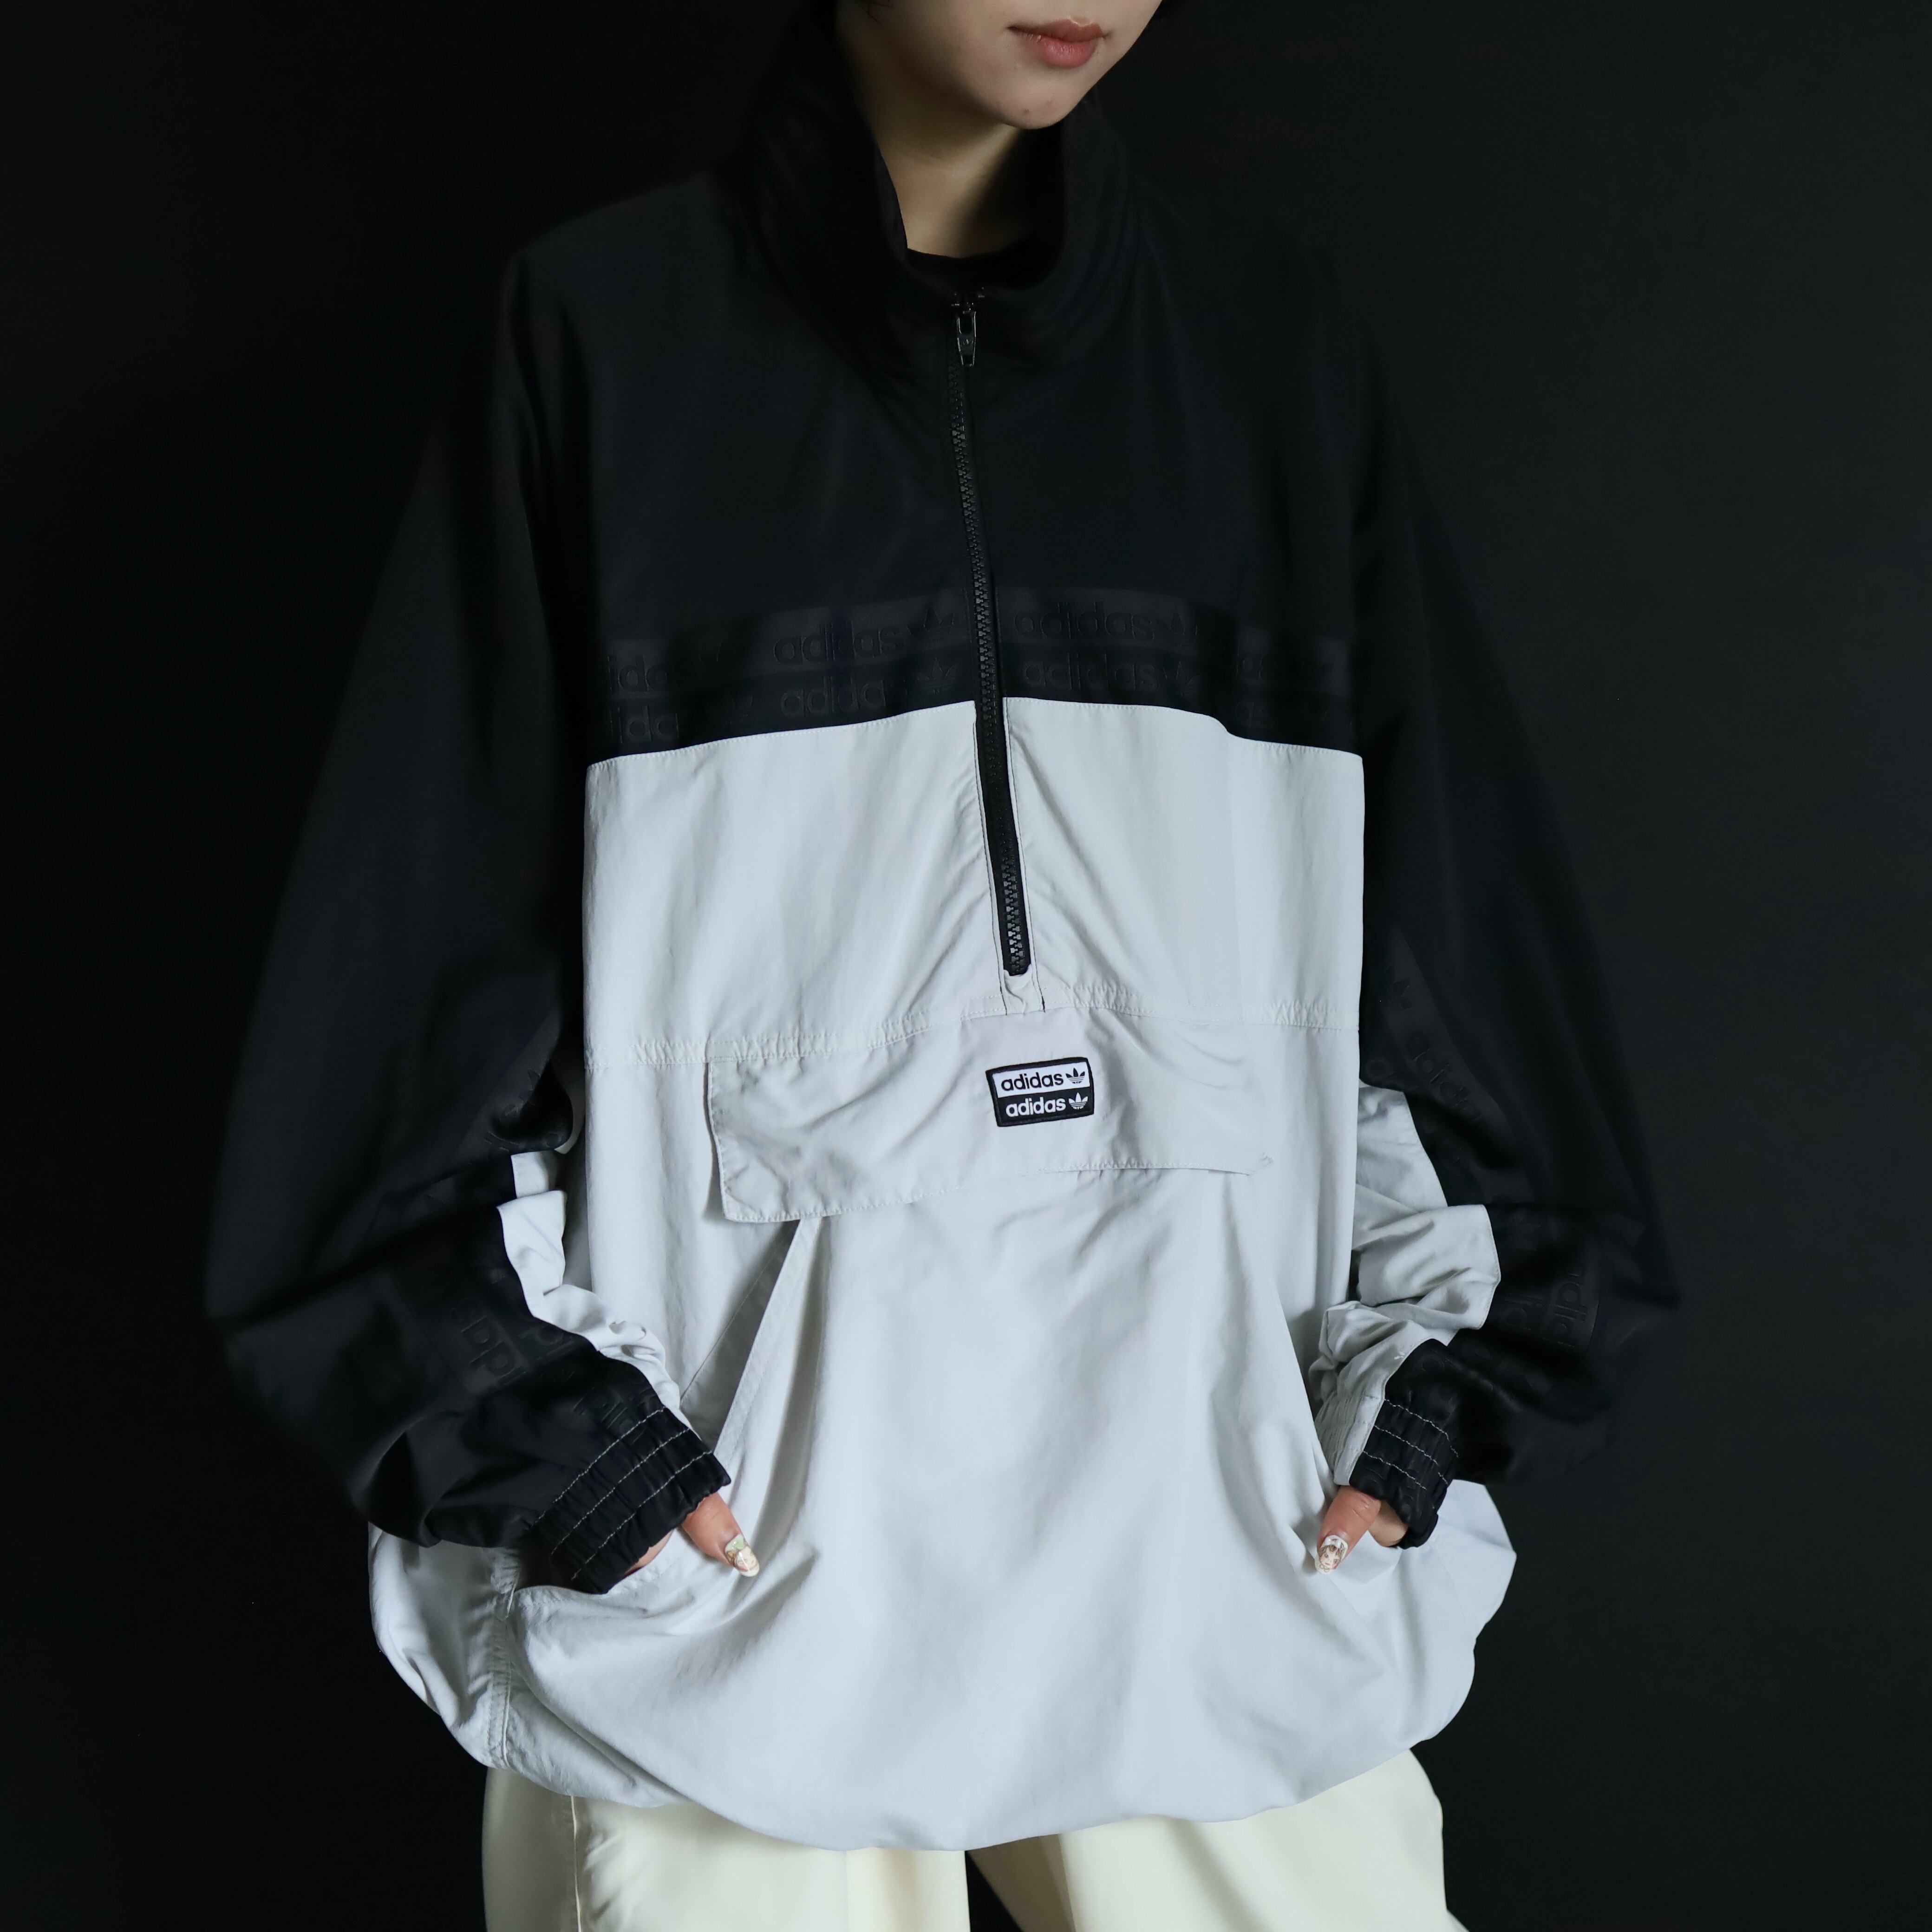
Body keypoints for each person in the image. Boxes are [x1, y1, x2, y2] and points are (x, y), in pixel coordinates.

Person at [206, 2, 1676, 1927]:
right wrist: (563, 1462)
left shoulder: (1266, 346)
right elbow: (410, 990)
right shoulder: (604, 334)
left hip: (1213, 1529)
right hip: (731, 1568)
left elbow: (1449, 954)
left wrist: (1441, 1399)